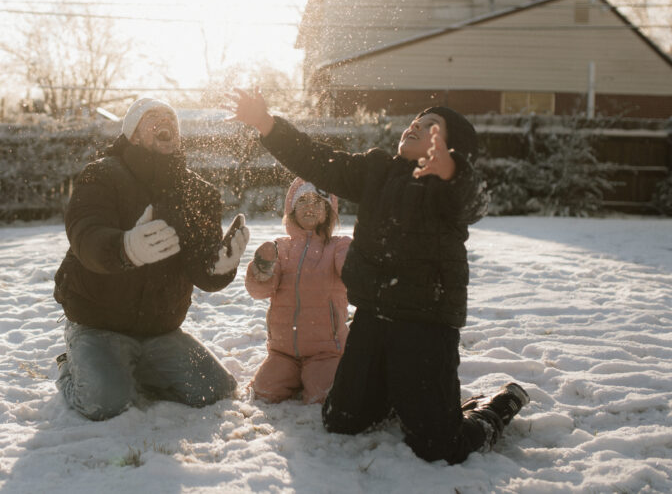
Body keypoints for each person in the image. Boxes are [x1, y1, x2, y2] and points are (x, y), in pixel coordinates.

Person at [226, 87, 529, 464]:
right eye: (415, 121)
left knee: (437, 447)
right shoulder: (377, 171)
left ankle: (497, 407)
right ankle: (398, 392)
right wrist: (267, 124)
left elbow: (474, 200)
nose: (415, 126)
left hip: (426, 325)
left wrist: (452, 170)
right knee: (341, 420)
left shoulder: (449, 187)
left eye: (431, 125)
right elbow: (317, 160)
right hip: (372, 318)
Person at [53, 97, 250, 421]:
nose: (165, 123)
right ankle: (71, 366)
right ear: (133, 134)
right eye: (152, 118)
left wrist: (220, 268)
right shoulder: (101, 175)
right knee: (105, 403)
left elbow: (201, 267)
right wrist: (124, 248)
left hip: (159, 330)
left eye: (170, 119)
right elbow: (84, 233)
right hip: (98, 323)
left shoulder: (197, 192)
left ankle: (131, 368)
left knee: (215, 390)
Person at [245, 177, 352, 404]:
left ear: (328, 210)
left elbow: (351, 274)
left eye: (317, 202)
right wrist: (262, 269)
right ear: (292, 209)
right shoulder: (281, 247)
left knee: (322, 394)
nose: (310, 207)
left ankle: (317, 377)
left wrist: (351, 265)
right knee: (264, 391)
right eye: (303, 201)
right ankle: (292, 375)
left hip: (325, 349)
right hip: (282, 350)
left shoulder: (337, 246)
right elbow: (260, 291)